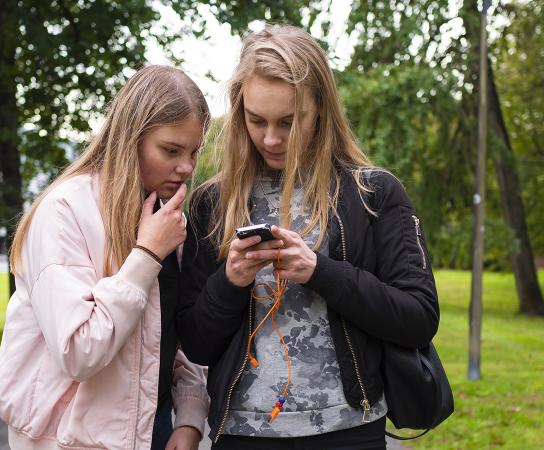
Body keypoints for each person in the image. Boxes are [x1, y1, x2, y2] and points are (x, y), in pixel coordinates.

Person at [177, 25, 440, 450]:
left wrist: (321, 272)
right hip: (243, 434)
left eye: (289, 121)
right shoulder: (213, 203)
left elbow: (418, 317)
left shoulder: (372, 194)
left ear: (320, 107)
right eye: (256, 120)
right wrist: (230, 281)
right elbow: (197, 344)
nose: (271, 138)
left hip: (350, 432)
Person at [0, 65, 210, 450]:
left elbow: (171, 334)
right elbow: (78, 352)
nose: (187, 167)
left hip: (153, 430)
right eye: (171, 150)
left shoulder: (165, 219)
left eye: (194, 151)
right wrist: (146, 255)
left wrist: (189, 418)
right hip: (65, 439)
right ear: (130, 138)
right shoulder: (65, 210)